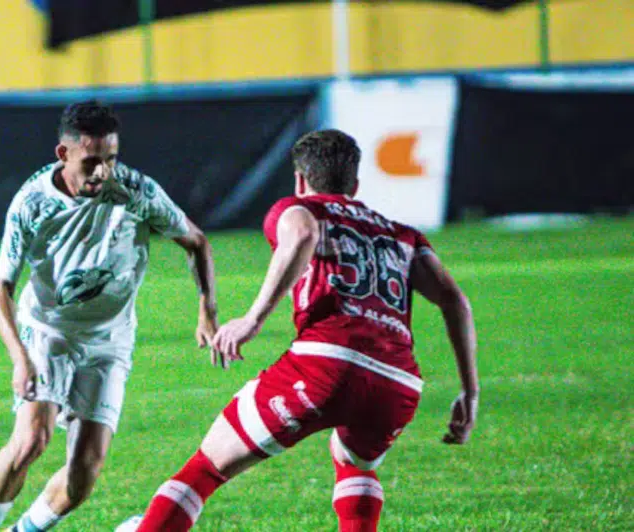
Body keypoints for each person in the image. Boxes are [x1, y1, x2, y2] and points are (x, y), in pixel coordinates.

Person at [127, 129, 479, 532]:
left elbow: (304, 233)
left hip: (326, 364)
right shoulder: (402, 235)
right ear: (355, 184)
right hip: (397, 383)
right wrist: (469, 391)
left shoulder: (298, 208)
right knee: (354, 463)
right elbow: (456, 302)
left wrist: (252, 320)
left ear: (299, 179)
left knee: (207, 467)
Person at [0, 100, 220, 532]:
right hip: (48, 330)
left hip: (110, 339)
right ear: (63, 154)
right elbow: (0, 288)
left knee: (83, 475)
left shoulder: (135, 191)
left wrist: (206, 311)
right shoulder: (32, 203)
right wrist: (20, 358)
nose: (102, 172)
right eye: (90, 162)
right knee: (31, 440)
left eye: (110, 159)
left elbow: (196, 241)